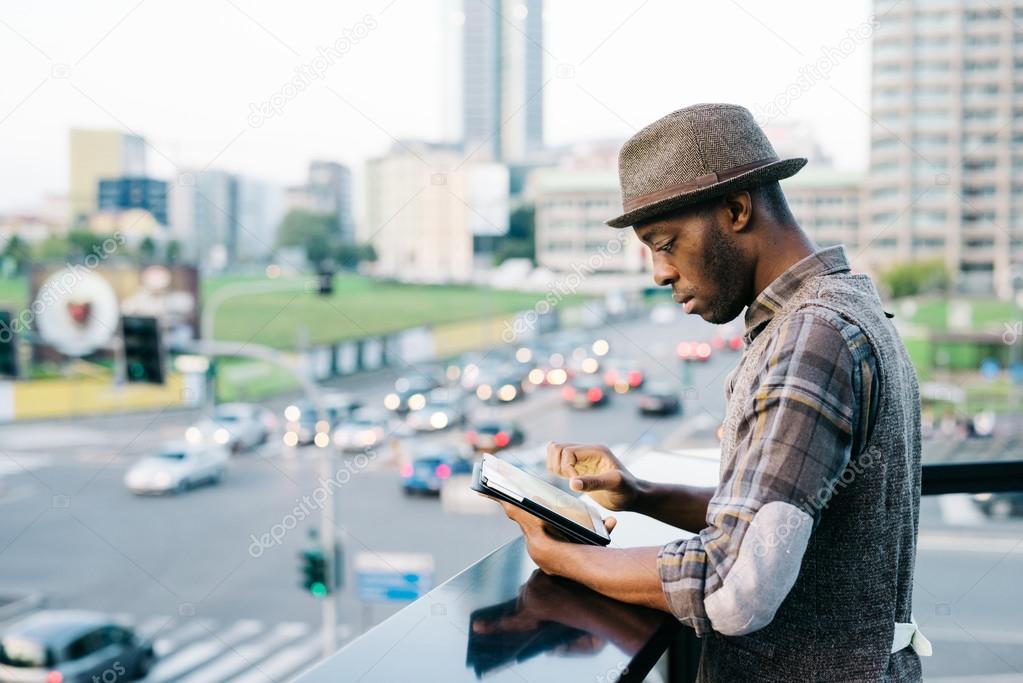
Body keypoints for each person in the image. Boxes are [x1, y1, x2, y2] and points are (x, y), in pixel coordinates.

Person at [500, 103, 929, 682]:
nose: (658, 272)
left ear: (735, 209)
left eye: (666, 242)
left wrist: (566, 559)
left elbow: (735, 586)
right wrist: (641, 492)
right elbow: (776, 520)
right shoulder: (845, 306)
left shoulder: (811, 338)